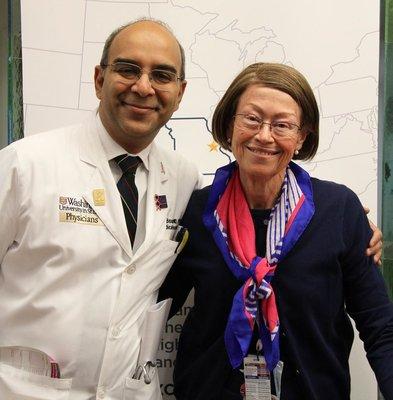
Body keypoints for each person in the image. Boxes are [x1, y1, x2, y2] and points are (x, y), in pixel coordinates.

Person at [159, 62, 393, 400]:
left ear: (301, 137)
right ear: (229, 126)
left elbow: (380, 328)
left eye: (282, 125)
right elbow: (149, 302)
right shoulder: (197, 211)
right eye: (252, 119)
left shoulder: (338, 210)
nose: (264, 135)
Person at [0, 19, 202, 400]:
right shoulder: (24, 164)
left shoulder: (182, 177)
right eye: (128, 69)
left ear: (179, 93)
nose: (143, 87)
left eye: (161, 75)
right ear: (98, 79)